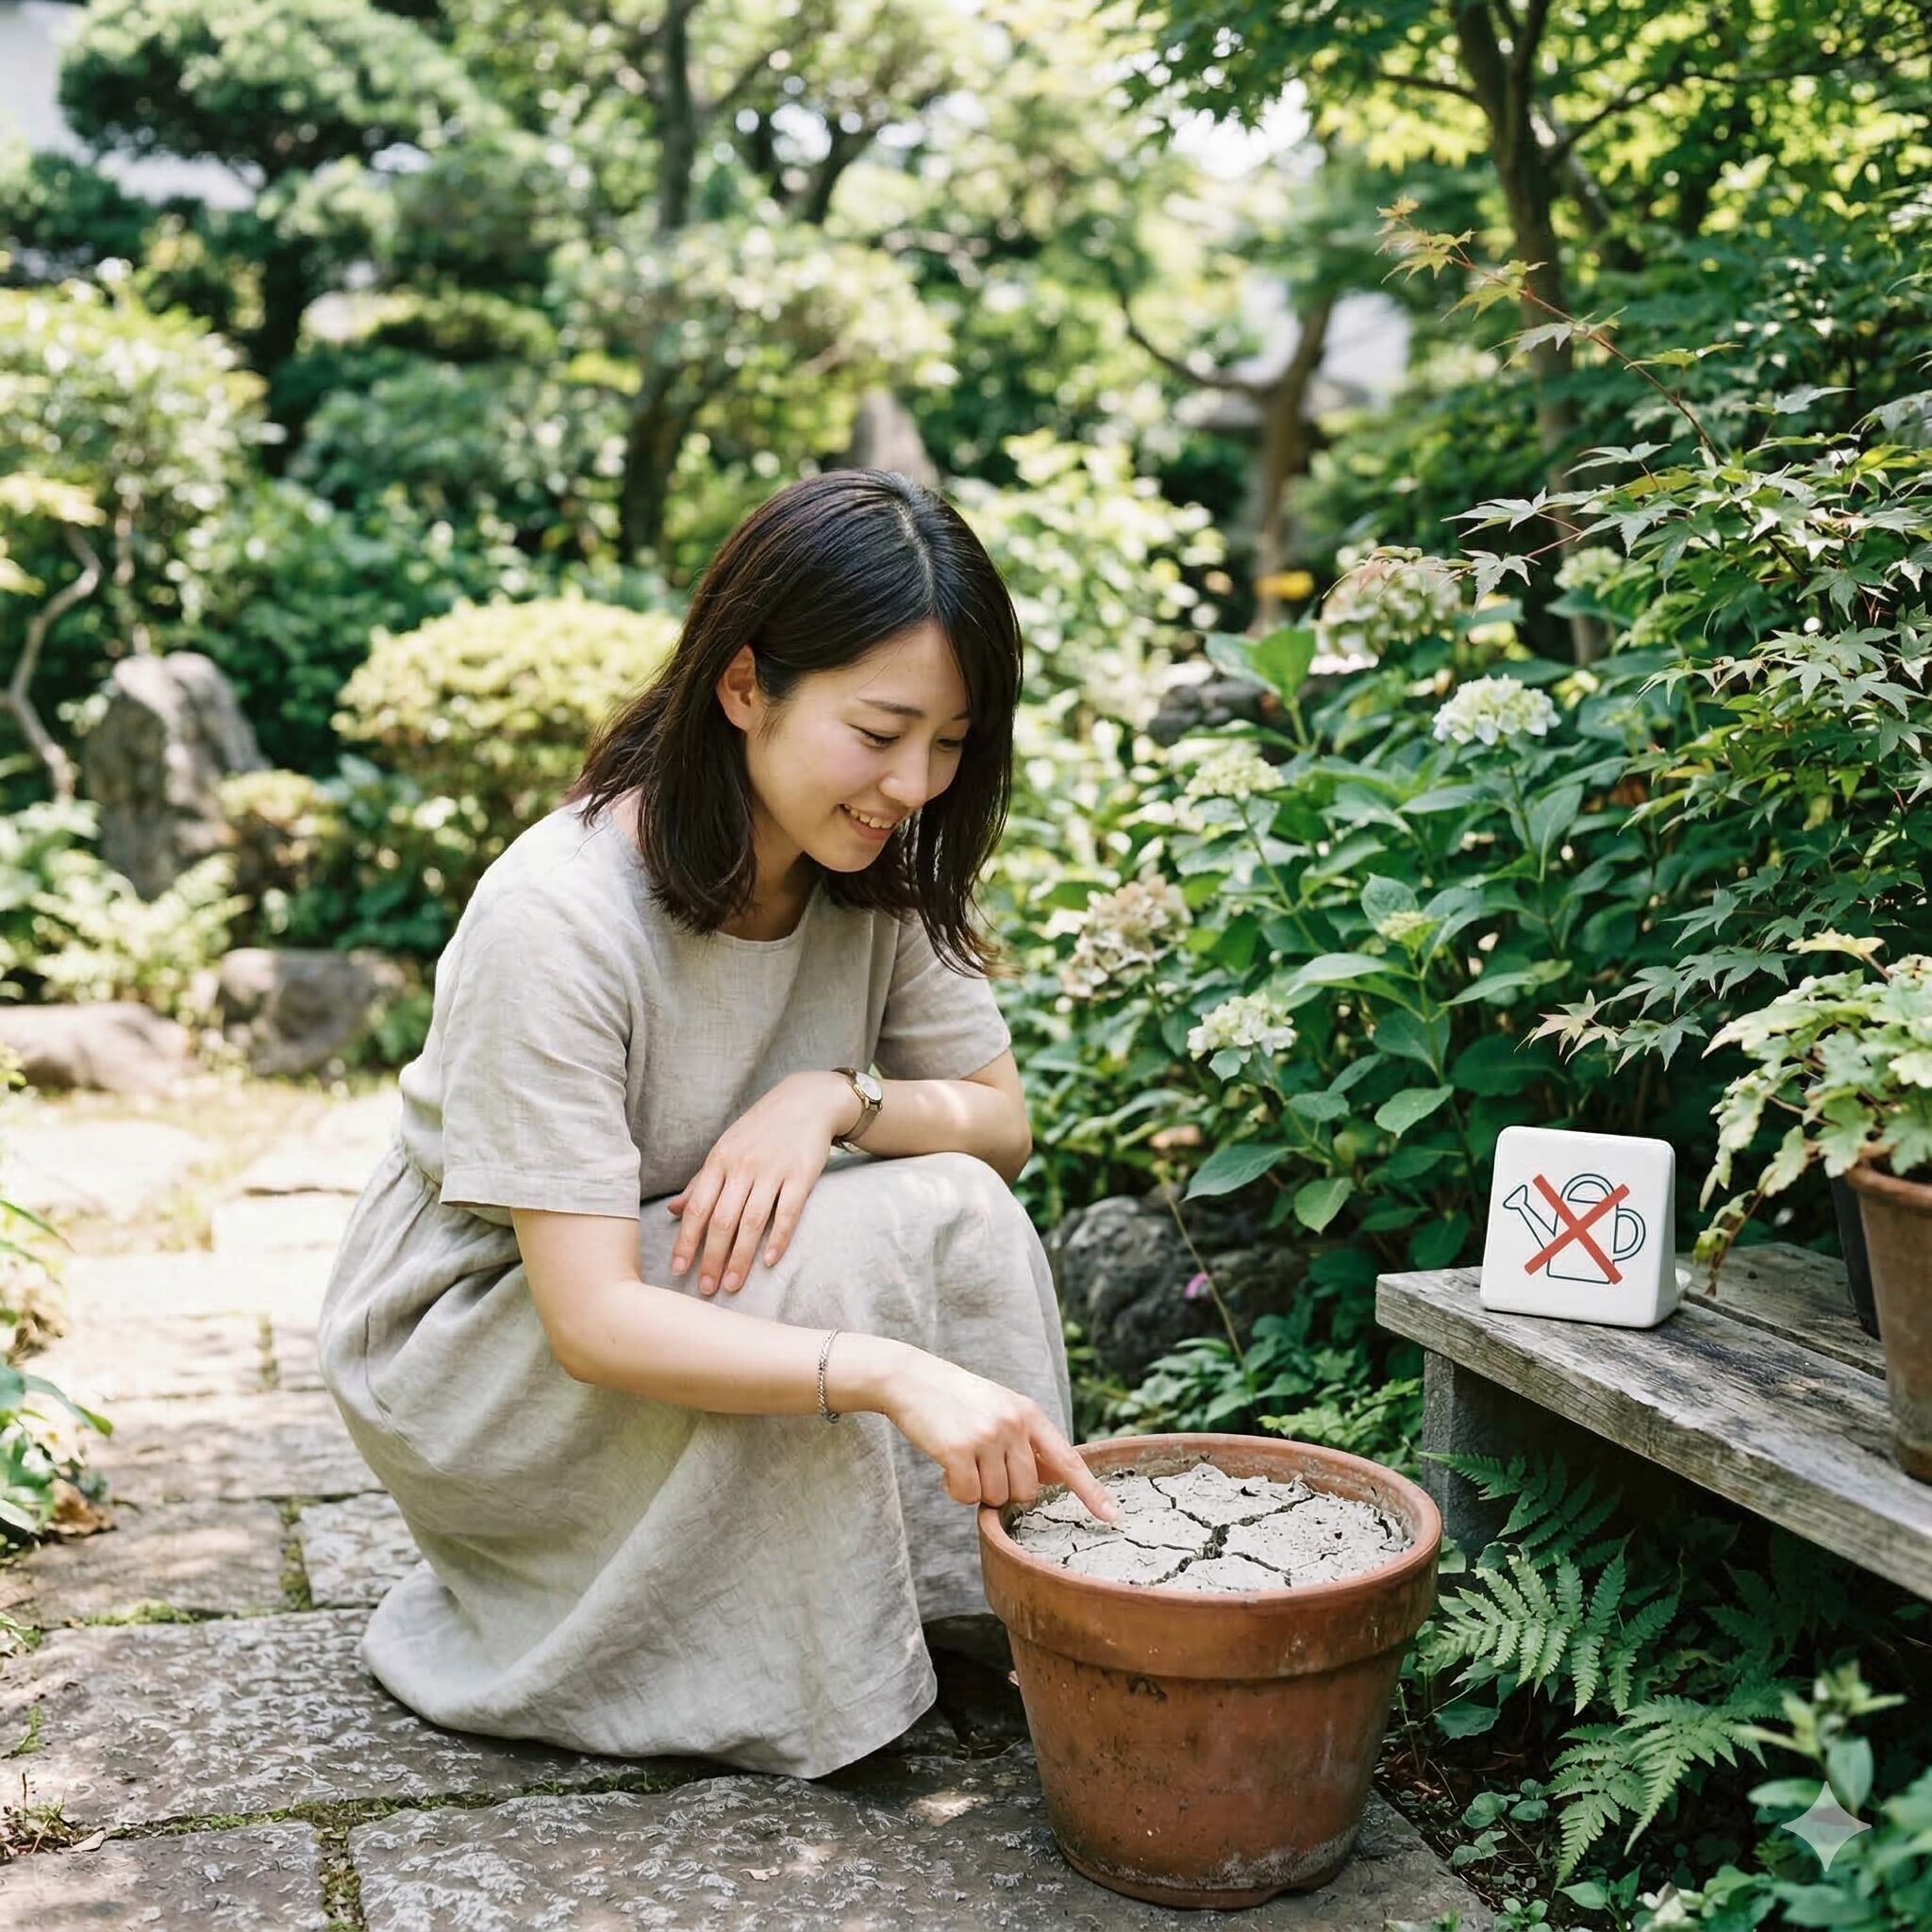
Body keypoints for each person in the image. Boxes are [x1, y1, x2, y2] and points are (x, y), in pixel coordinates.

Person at [316, 466, 1120, 1780]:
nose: (914, 781)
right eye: (878, 731)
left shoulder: (878, 871)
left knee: (952, 1202)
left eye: (953, 740)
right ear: (745, 686)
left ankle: (980, 1616)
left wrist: (831, 1099)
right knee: (836, 1259)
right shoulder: (561, 916)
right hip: (484, 1344)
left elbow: (998, 1128)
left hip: (686, 1264)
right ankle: (819, 1677)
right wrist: (883, 1370)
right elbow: (592, 1317)